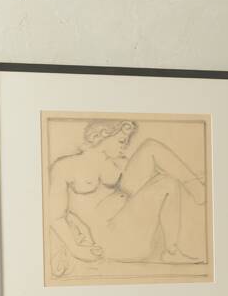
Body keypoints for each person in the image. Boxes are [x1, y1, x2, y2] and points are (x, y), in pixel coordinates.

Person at [47, 118, 207, 275]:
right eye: (121, 141)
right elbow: (55, 216)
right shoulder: (64, 166)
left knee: (166, 177)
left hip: (133, 233)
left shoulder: (119, 164)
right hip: (107, 243)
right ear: (102, 135)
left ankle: (172, 250)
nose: (126, 146)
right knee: (152, 153)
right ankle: (200, 191)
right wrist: (76, 249)